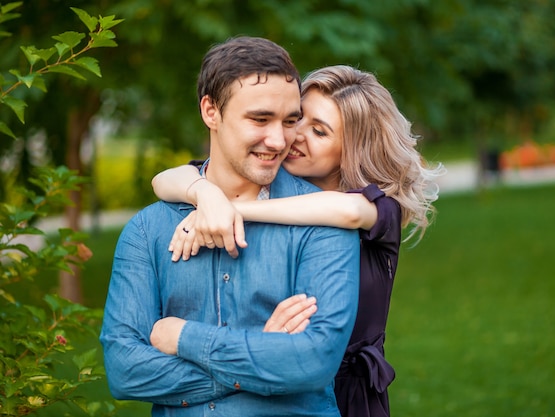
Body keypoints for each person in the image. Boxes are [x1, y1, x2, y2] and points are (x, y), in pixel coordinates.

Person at [152, 65, 444, 417]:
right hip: (267, 382)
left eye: (319, 131)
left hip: (345, 395)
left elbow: (346, 211)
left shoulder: (380, 209)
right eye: (298, 119)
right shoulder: (266, 184)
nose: (294, 136)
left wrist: (232, 209)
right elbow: (166, 179)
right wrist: (204, 194)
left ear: (352, 148)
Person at [99, 37, 361, 417]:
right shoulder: (147, 231)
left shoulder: (322, 222)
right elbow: (126, 371)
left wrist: (185, 338)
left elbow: (312, 363)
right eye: (260, 119)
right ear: (211, 111)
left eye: (290, 121)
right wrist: (260, 355)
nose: (279, 140)